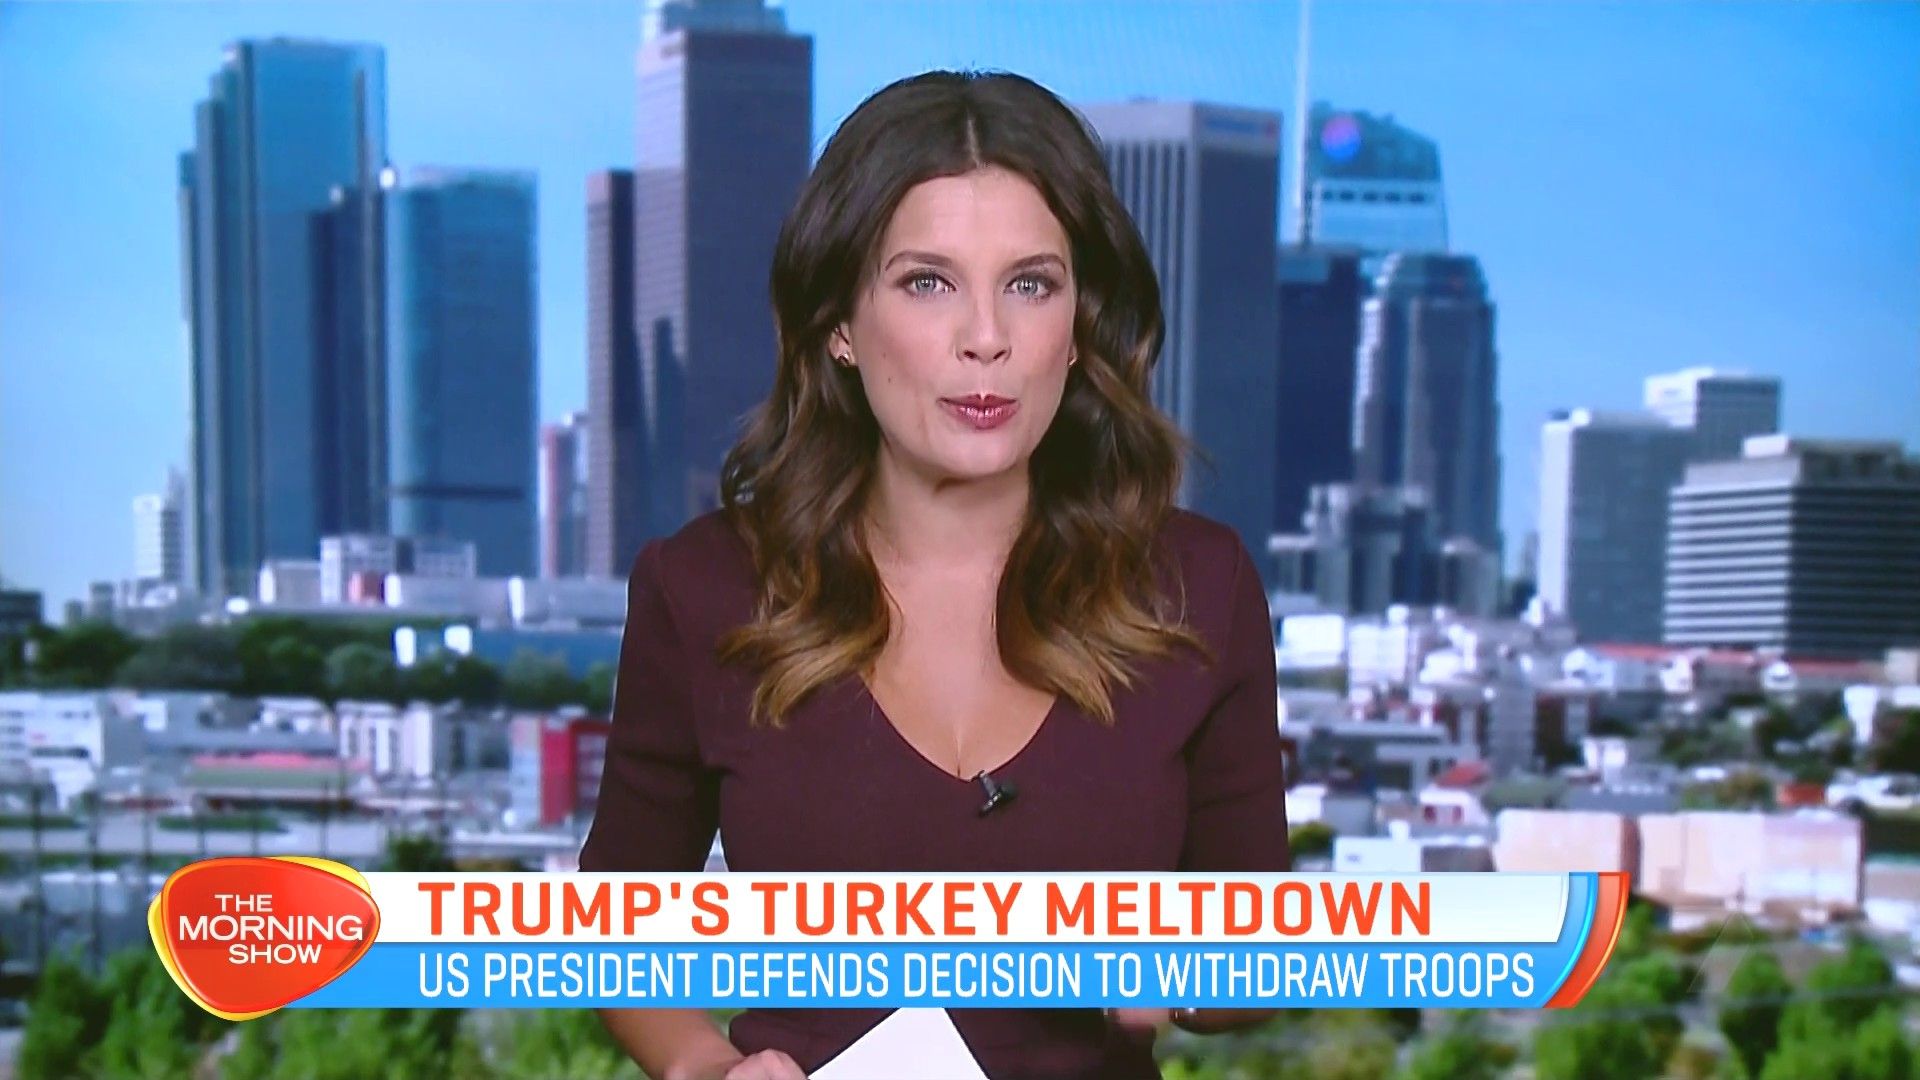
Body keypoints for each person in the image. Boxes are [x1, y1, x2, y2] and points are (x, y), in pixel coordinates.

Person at [580, 68, 1290, 1080]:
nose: (986, 338)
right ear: (839, 323)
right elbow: (614, 927)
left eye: (1030, 284)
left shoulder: (1198, 587)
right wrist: (706, 1066)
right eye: (928, 282)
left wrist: (1186, 973)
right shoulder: (705, 589)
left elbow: (1260, 962)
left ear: (1079, 324)